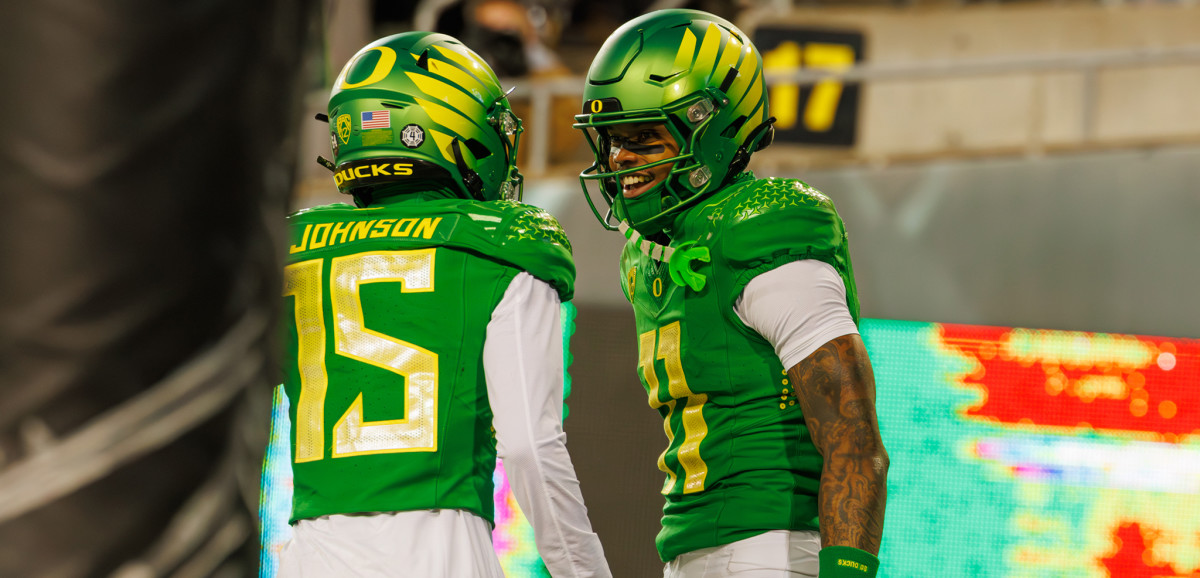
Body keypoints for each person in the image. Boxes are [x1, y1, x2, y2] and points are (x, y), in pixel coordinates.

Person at [276, 32, 610, 577]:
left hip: (310, 555)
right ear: (445, 124)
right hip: (439, 550)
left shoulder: (290, 249)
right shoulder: (501, 241)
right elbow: (528, 446)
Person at [572, 10, 888, 578]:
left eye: (645, 137)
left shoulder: (760, 227)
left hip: (773, 549)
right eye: (613, 141)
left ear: (711, 126)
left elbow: (853, 438)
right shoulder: (652, 249)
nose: (621, 159)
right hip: (694, 547)